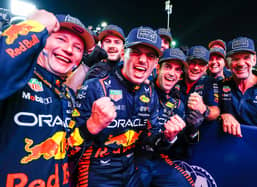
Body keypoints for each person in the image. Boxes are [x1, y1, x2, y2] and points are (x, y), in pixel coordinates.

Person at [73, 26, 185, 186]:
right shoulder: (95, 87)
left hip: (131, 169)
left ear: (155, 64)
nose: (142, 60)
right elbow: (68, 146)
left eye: (150, 56)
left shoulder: (149, 92)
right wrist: (90, 127)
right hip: (98, 171)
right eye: (136, 52)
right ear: (122, 55)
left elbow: (151, 140)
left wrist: (168, 137)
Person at [0, 10, 95, 186]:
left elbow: (67, 145)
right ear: (42, 40)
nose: (68, 50)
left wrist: (90, 128)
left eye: (78, 48)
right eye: (61, 39)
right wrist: (33, 28)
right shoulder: (18, 80)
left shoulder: (65, 93)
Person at [135, 48, 194, 187]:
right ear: (158, 68)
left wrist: (172, 137)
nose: (172, 73)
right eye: (168, 67)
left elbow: (172, 147)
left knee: (184, 183)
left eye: (177, 69)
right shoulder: (141, 87)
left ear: (180, 75)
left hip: (157, 158)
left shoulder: (178, 103)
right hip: (133, 156)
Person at [220, 36, 257, 137]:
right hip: (228, 151)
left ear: (254, 60)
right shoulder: (220, 86)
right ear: (227, 64)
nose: (241, 63)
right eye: (235, 59)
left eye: (246, 57)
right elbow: (209, 111)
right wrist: (222, 116)